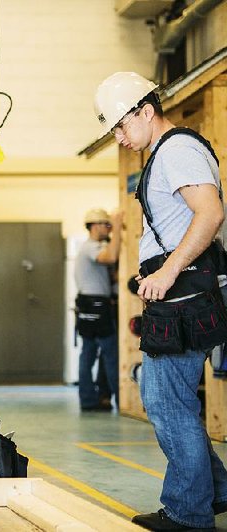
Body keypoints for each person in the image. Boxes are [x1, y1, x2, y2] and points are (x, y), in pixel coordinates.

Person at [95, 71, 227, 530]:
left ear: (146, 111)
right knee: (170, 399)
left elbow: (209, 213)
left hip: (183, 294)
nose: (119, 136)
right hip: (179, 293)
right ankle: (216, 490)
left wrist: (167, 270)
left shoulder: (177, 151)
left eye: (122, 125)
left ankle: (189, 514)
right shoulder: (169, 153)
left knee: (165, 401)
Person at [74, 208, 122, 412]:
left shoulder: (92, 247)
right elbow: (110, 257)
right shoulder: (91, 247)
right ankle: (123, 401)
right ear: (95, 226)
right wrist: (119, 227)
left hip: (88, 304)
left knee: (89, 352)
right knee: (111, 355)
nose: (109, 228)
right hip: (97, 306)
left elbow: (110, 275)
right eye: (106, 224)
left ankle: (89, 400)